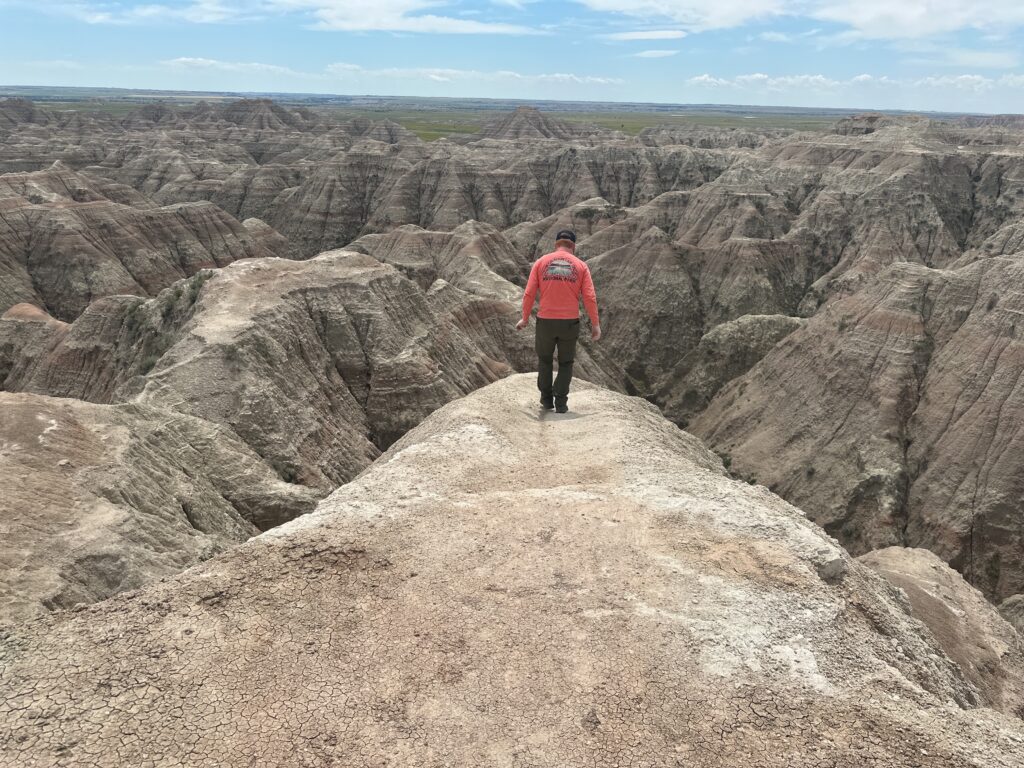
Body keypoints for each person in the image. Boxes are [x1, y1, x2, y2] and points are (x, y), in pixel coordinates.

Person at [516, 229, 601, 413]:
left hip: (545, 321)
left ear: (556, 244)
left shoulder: (541, 262)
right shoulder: (581, 266)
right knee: (566, 363)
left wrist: (524, 318)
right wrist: (595, 324)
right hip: (569, 323)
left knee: (545, 360)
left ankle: (547, 400)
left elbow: (529, 293)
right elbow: (590, 297)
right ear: (573, 246)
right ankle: (561, 403)